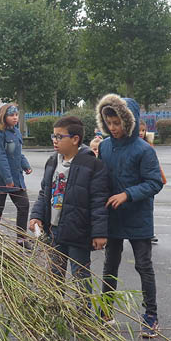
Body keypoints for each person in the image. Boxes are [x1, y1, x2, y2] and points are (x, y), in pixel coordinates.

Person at [96, 94, 164, 338]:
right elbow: (100, 178)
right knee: (109, 265)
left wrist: (127, 194)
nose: (113, 128)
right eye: (109, 123)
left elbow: (155, 182)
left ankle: (151, 316)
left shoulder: (144, 150)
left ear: (130, 121)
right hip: (112, 217)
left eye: (118, 123)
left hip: (138, 217)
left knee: (143, 266)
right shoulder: (104, 146)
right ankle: (105, 312)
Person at [29, 115, 108, 311]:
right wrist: (36, 216)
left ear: (75, 139)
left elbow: (98, 201)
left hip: (77, 231)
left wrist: (99, 232)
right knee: (54, 274)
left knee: (80, 275)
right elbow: (43, 193)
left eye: (59, 137)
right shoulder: (51, 162)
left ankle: (83, 313)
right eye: (53, 136)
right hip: (54, 230)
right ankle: (54, 310)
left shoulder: (91, 164)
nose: (55, 141)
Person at [0, 104, 33, 245]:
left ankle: (21, 238)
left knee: (23, 205)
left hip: (16, 178)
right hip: (1, 178)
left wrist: (26, 165)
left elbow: (17, 153)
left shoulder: (16, 132)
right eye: (11, 115)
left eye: (16, 115)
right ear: (3, 116)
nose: (15, 118)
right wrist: (7, 178)